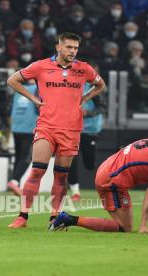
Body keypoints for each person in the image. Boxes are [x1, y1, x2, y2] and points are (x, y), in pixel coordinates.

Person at [6, 32, 106, 229]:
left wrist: (85, 98)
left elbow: (101, 85)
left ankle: (55, 216)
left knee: (61, 175)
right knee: (37, 171)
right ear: (58, 47)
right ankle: (22, 216)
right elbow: (13, 80)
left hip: (71, 129)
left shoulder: (83, 69)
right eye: (69, 47)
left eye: (75, 48)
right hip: (46, 126)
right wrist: (34, 99)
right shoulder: (41, 66)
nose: (72, 51)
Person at [50, 139, 148, 233]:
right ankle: (69, 219)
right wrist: (143, 225)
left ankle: (69, 219)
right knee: (125, 228)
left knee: (125, 225)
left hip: (109, 169)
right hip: (111, 179)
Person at [68, 63, 106, 202]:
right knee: (71, 159)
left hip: (90, 129)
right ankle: (75, 191)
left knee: (89, 164)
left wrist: (87, 113)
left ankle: (107, 181)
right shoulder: (71, 85)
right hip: (72, 129)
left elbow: (102, 107)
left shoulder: (94, 88)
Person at [6, 80, 38, 196]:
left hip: (16, 127)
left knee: (19, 156)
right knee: (27, 157)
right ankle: (14, 181)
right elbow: (40, 107)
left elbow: (10, 109)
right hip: (29, 127)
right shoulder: (37, 89)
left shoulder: (17, 89)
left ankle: (15, 183)